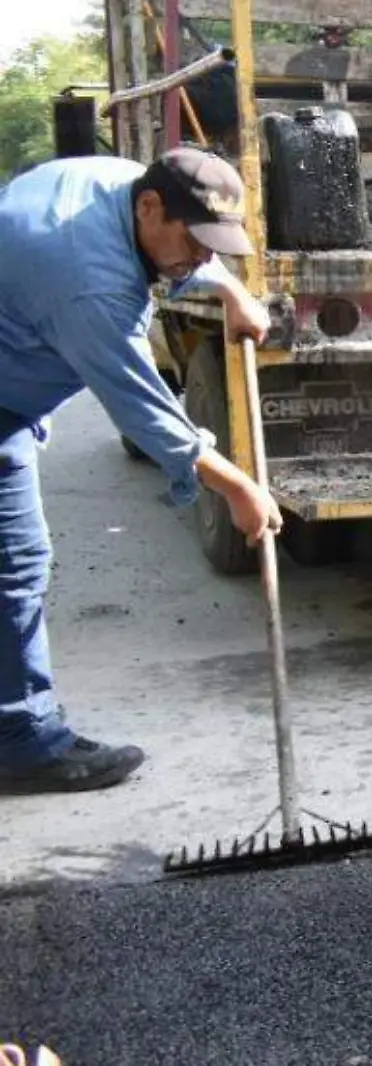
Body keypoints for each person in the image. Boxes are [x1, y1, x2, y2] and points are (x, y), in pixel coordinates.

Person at [0, 147, 285, 794]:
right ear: (150, 207)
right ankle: (22, 743)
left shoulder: (121, 184)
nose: (201, 255)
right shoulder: (86, 281)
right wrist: (238, 487)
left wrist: (230, 290)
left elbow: (174, 258)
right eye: (195, 240)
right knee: (13, 564)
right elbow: (146, 413)